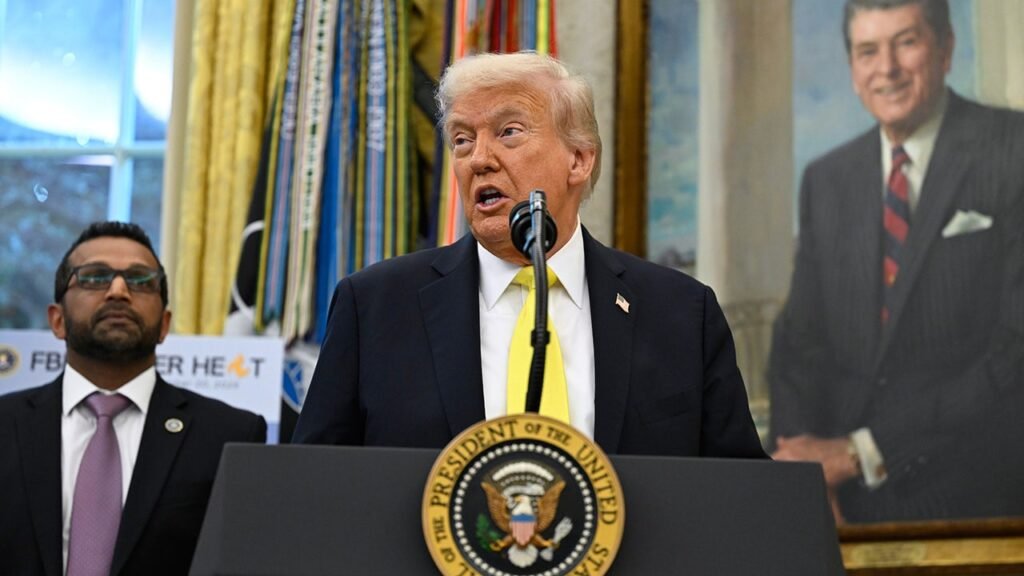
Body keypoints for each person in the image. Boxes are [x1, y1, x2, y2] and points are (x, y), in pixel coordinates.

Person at [293, 51, 766, 461]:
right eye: (462, 139)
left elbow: (739, 494)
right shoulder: (375, 307)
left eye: (509, 132)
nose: (479, 159)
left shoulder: (681, 313)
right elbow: (313, 488)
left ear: (578, 160)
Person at [770, 0, 1024, 523]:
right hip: (841, 500)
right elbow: (799, 344)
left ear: (945, 49)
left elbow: (1014, 352)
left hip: (979, 494)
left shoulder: (1013, 150)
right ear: (852, 69)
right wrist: (801, 474)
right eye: (868, 51)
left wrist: (862, 451)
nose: (886, 69)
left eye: (906, 42)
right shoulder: (826, 180)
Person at [0, 222, 267, 575]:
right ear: (57, 320)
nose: (118, 291)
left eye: (140, 281)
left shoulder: (228, 434)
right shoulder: (5, 424)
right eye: (94, 277)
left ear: (165, 325)